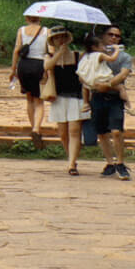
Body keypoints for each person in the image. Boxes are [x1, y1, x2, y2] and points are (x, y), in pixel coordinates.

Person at [83, 25, 135, 180]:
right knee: (102, 132)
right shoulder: (92, 55)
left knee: (117, 131)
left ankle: (120, 162)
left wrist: (108, 84)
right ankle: (109, 162)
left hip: (114, 97)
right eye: (110, 35)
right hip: (97, 97)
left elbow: (123, 74)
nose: (114, 38)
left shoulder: (124, 57)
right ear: (103, 37)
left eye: (117, 36)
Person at [42, 28, 85, 175]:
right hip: (58, 97)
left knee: (74, 130)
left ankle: (72, 164)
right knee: (63, 133)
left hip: (75, 95)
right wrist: (59, 53)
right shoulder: (49, 56)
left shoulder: (77, 55)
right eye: (56, 38)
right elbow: (47, 66)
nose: (60, 40)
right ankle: (71, 157)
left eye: (63, 37)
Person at [9, 11, 52, 143]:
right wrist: (49, 69)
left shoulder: (21, 30)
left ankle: (33, 126)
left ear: (27, 18)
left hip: (24, 65)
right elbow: (50, 51)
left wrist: (13, 69)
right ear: (40, 18)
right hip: (39, 64)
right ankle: (36, 129)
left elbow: (16, 50)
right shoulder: (46, 31)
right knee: (39, 101)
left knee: (29, 99)